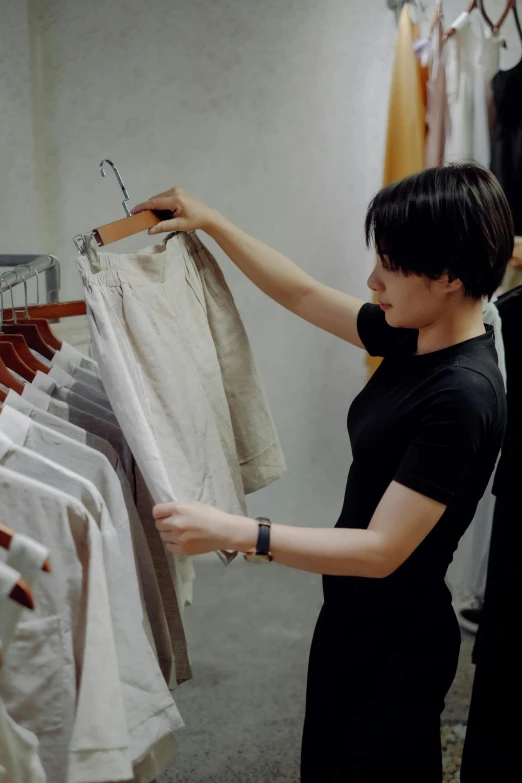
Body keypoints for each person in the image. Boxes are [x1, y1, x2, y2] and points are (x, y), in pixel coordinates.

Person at [132, 164, 512, 782]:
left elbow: (382, 549)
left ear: (447, 276)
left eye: (390, 262)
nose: (372, 279)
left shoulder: (461, 395)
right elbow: (301, 293)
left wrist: (239, 532)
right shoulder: (413, 336)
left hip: (396, 640)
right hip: (357, 616)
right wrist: (213, 221)